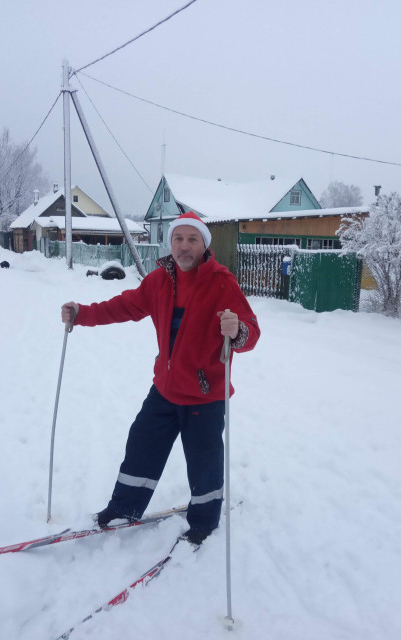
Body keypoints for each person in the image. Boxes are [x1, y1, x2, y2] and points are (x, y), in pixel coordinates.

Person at [61, 211, 260, 545]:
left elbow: (251, 332)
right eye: (178, 239)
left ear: (203, 245)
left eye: (192, 239)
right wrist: (83, 314)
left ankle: (204, 521)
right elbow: (124, 306)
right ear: (171, 243)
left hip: (205, 395)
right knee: (142, 444)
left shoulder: (221, 282)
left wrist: (238, 329)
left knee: (204, 461)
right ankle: (124, 508)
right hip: (166, 389)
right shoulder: (159, 281)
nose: (184, 246)